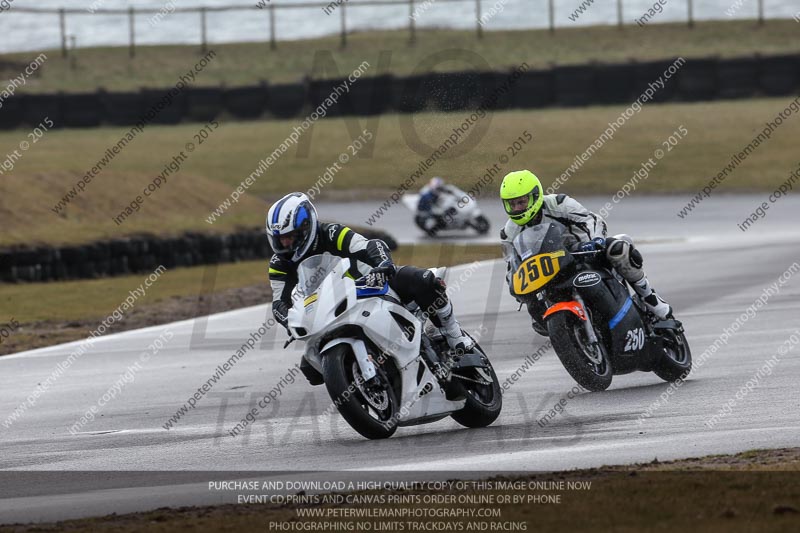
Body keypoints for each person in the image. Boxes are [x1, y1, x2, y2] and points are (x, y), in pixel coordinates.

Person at [266, 192, 474, 383]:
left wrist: (382, 265)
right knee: (310, 369)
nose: (286, 244)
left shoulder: (330, 233)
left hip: (371, 284)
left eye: (290, 237)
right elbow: (279, 303)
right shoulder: (279, 264)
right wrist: (290, 321)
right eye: (281, 240)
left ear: (306, 228)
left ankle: (453, 334)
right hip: (326, 310)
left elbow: (369, 246)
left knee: (424, 279)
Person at [498, 170, 672, 335]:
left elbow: (592, 220)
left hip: (583, 254)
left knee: (618, 248)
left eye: (521, 202)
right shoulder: (508, 232)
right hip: (549, 272)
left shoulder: (559, 203)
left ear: (535, 196)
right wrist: (516, 286)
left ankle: (649, 297)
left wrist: (594, 241)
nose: (517, 208)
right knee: (533, 306)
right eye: (511, 204)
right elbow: (511, 266)